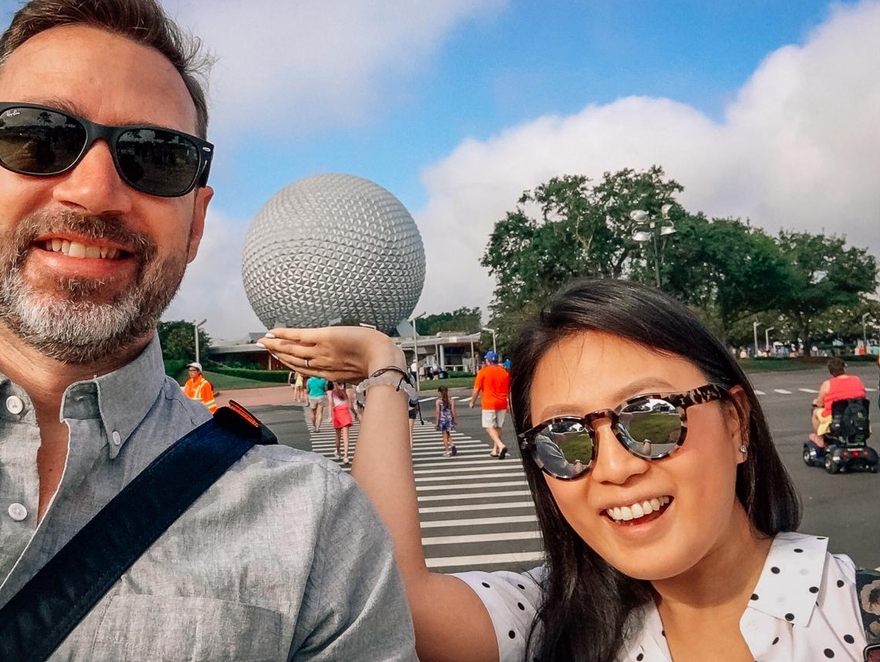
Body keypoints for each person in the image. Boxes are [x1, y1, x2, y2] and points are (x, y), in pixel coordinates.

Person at [0, 0, 414, 660]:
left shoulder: (319, 529)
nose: (95, 190)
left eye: (156, 158)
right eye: (40, 137)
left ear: (195, 224)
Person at [262, 279, 871, 662]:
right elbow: (390, 597)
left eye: (652, 416)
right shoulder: (547, 620)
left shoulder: (860, 616)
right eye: (563, 437)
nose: (613, 467)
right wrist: (385, 368)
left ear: (736, 422)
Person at [810, 357, 867, 447]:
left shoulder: (827, 384)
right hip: (856, 413)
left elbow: (820, 403)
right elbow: (863, 395)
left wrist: (816, 402)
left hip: (835, 415)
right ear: (844, 368)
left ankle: (819, 438)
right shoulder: (857, 380)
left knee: (815, 412)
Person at [469, 350, 511, 459]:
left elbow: (476, 389)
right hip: (502, 403)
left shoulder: (483, 372)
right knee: (498, 426)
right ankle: (495, 450)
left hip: (489, 403)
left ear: (487, 361)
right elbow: (509, 390)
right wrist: (509, 404)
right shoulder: (504, 372)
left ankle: (501, 446)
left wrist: (472, 401)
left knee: (488, 427)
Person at [330, 382, 354, 465]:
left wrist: (330, 416)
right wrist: (355, 413)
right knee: (346, 436)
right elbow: (350, 405)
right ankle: (346, 456)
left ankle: (338, 450)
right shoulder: (347, 391)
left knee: (338, 436)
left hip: (337, 413)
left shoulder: (333, 391)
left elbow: (331, 404)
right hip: (345, 413)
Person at [435, 386, 457, 456]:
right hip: (449, 418)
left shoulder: (438, 401)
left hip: (442, 419)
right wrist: (455, 419)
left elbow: (438, 412)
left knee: (444, 435)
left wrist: (437, 422)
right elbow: (453, 410)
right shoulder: (451, 400)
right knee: (448, 432)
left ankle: (447, 451)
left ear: (440, 392)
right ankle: (452, 444)